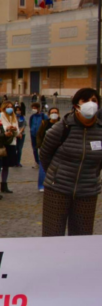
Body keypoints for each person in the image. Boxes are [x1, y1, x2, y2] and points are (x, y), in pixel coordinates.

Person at [40, 88, 102, 236]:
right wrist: (56, 175)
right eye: (85, 100)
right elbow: (45, 155)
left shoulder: (100, 130)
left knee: (82, 235)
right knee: (53, 233)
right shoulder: (62, 127)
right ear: (76, 105)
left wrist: (92, 177)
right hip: (58, 189)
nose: (90, 104)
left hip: (87, 191)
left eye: (94, 101)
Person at [35, 107, 60, 192]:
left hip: (58, 149)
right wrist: (40, 145)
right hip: (45, 148)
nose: (54, 114)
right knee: (43, 167)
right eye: (52, 112)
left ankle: (55, 185)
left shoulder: (61, 124)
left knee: (57, 168)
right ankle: (41, 185)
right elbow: (39, 135)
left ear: (59, 114)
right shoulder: (44, 123)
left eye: (56, 112)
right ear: (49, 115)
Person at [0, 101, 19, 192]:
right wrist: (7, 128)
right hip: (3, 143)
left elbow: (17, 131)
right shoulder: (1, 115)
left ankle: (4, 184)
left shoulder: (13, 117)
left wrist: (14, 129)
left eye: (11, 106)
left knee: (7, 165)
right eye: (8, 107)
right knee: (0, 165)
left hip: (12, 143)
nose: (10, 108)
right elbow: (1, 127)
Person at [28, 102, 47, 168]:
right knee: (34, 149)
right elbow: (30, 125)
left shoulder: (43, 116)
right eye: (32, 108)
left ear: (38, 108)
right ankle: (37, 162)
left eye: (35, 108)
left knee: (41, 148)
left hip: (41, 135)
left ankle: (42, 162)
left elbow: (46, 125)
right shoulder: (32, 116)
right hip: (33, 134)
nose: (33, 109)